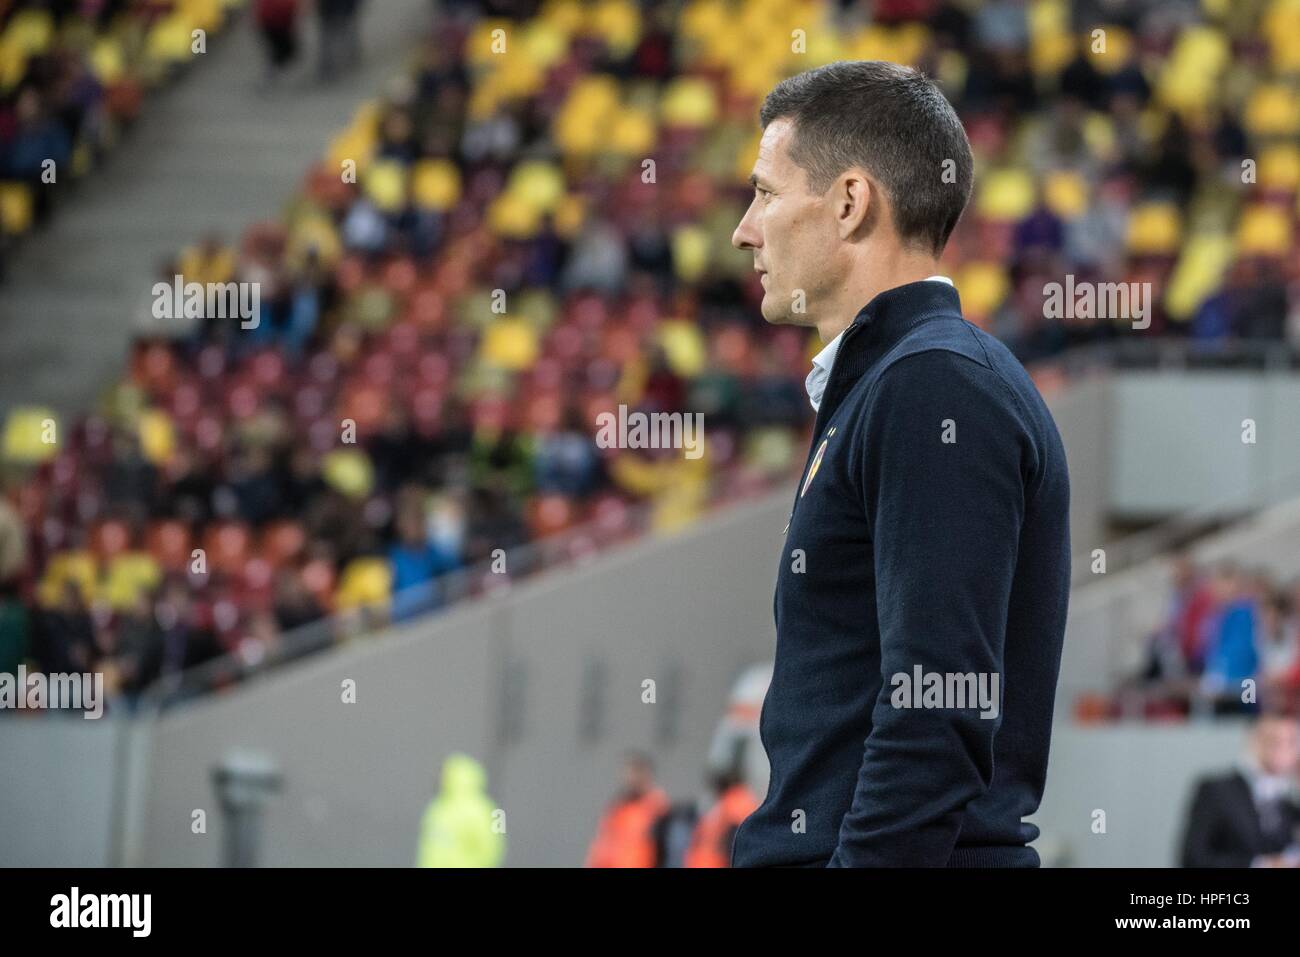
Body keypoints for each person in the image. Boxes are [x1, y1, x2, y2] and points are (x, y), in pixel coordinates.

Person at [728, 62, 1071, 867]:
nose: (746, 228)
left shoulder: (932, 386)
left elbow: (936, 710)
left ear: (850, 203)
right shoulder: (899, 381)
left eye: (766, 193)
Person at [1180, 714, 1300, 867]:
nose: (1282, 749)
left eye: (1290, 742)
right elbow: (1193, 858)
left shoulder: (1287, 801)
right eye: (1273, 741)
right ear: (1254, 739)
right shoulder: (1217, 791)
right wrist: (1261, 865)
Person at [416, 752, 505, 867]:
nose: (439, 778)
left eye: (444, 774)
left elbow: (493, 849)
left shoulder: (485, 809)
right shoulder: (437, 807)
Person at [585, 752, 669, 867]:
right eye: (627, 773)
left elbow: (667, 849)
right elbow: (604, 844)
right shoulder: (618, 807)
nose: (629, 779)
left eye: (634, 772)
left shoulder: (658, 809)